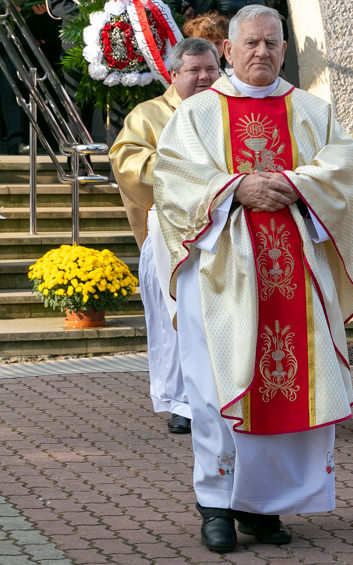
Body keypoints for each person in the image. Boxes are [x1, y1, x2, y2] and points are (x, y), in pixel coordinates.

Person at [152, 5, 353, 552]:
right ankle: (217, 504)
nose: (262, 53)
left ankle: (264, 507)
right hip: (221, 279)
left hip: (295, 276)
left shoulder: (312, 111)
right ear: (228, 49)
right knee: (214, 388)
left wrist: (295, 183)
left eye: (272, 43)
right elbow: (173, 180)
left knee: (291, 383)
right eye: (251, 43)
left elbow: (341, 169)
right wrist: (234, 189)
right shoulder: (197, 113)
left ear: (284, 50)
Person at [108, 37, 222, 435]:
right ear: (173, 74)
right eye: (194, 71)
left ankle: (224, 395)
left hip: (225, 231)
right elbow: (128, 162)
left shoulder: (229, 109)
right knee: (174, 319)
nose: (205, 77)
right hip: (169, 234)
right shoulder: (148, 115)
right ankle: (181, 401)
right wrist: (194, 178)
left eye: (211, 69)